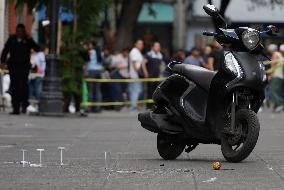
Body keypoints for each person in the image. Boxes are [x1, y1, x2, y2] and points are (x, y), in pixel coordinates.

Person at [0, 24, 37, 114]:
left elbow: (37, 48)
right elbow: (5, 50)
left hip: (24, 67)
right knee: (15, 86)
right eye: (18, 31)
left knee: (24, 86)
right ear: (16, 32)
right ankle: (16, 107)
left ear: (24, 32)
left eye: (21, 31)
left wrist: (29, 39)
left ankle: (24, 105)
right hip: (14, 66)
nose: (19, 33)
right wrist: (2, 62)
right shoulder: (12, 39)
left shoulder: (27, 40)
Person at [128, 39, 146, 111]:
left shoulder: (138, 52)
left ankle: (134, 105)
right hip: (134, 75)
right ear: (135, 44)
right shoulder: (134, 51)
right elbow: (134, 63)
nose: (141, 45)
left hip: (136, 75)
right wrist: (138, 72)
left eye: (142, 44)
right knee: (135, 90)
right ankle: (133, 106)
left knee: (136, 90)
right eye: (139, 44)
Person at [86, 41, 103, 113]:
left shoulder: (90, 52)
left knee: (90, 89)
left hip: (91, 71)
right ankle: (98, 107)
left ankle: (89, 107)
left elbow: (86, 60)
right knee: (98, 90)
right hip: (99, 71)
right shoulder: (100, 52)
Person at [145, 42, 163, 108]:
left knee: (156, 90)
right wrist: (145, 72)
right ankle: (148, 105)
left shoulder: (160, 55)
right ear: (152, 47)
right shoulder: (149, 54)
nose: (158, 48)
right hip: (150, 74)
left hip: (157, 75)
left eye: (159, 46)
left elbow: (160, 65)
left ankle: (155, 104)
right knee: (150, 90)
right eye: (157, 46)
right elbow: (143, 63)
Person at [267, 44, 284, 113]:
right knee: (278, 91)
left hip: (276, 75)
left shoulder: (275, 55)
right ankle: (277, 106)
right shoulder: (279, 55)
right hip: (280, 76)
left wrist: (268, 73)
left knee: (273, 91)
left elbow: (273, 67)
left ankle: (280, 104)